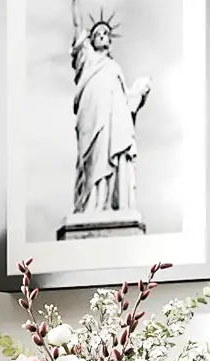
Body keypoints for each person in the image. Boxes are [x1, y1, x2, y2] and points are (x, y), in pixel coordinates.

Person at [71, 0, 150, 219]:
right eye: (97, 33)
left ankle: (105, 204)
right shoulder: (87, 58)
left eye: (105, 33)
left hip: (114, 119)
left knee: (110, 156)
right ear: (91, 39)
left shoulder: (115, 67)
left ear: (110, 41)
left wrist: (140, 93)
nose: (102, 35)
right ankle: (90, 204)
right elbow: (77, 25)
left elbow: (127, 101)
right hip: (91, 115)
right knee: (92, 159)